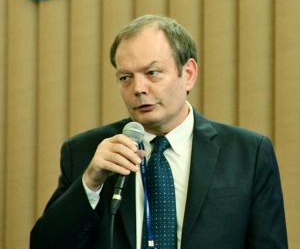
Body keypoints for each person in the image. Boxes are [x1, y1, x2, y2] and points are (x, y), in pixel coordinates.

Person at [30, 14, 288, 249]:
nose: (138, 88)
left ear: (188, 74)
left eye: (152, 73)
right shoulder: (86, 153)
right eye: (125, 78)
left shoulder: (248, 154)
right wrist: (91, 183)